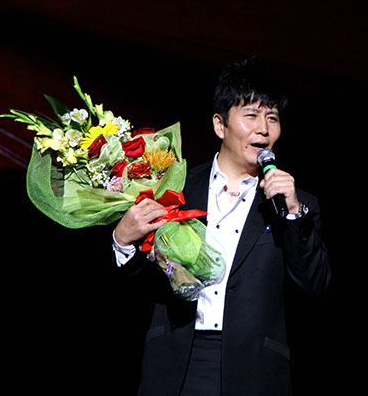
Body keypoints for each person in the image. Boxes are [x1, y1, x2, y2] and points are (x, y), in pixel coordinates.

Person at [111, 56, 331, 396]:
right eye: (251, 116)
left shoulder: (296, 204)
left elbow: (314, 285)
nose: (263, 129)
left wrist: (292, 213)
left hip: (254, 372)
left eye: (272, 118)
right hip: (176, 363)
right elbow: (136, 289)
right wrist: (122, 241)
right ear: (219, 125)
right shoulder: (177, 188)